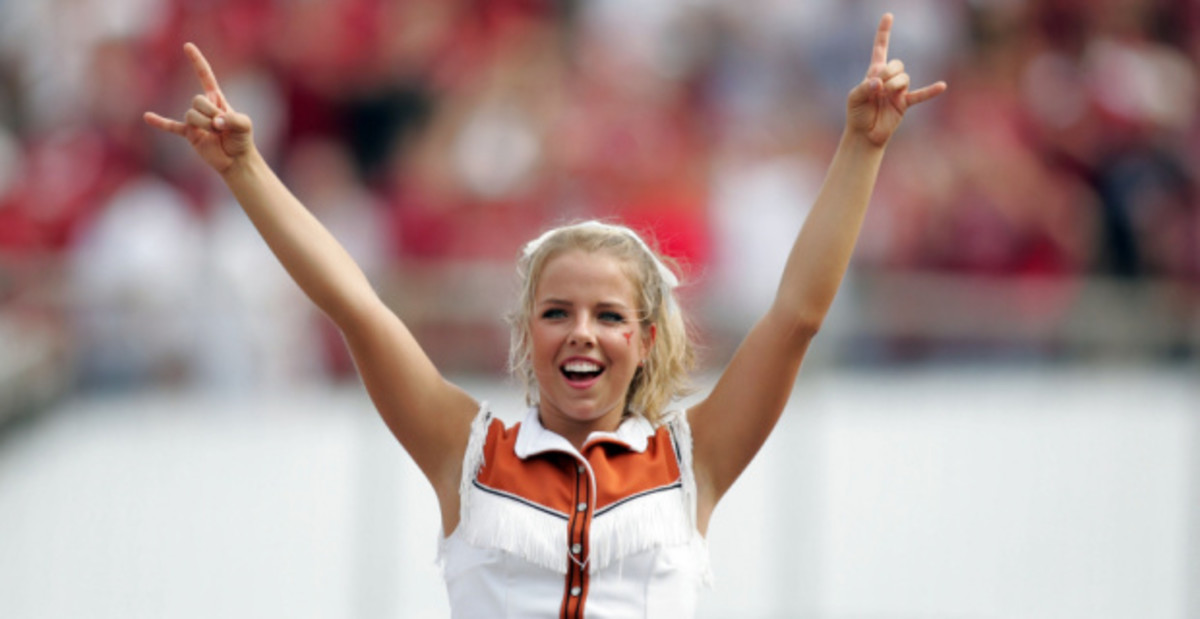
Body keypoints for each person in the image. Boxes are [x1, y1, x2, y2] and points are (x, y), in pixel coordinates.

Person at [145, 12, 945, 618]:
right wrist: (245, 168)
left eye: (608, 314)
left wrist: (862, 148)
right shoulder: (465, 450)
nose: (583, 331)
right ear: (529, 332)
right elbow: (356, 305)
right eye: (557, 310)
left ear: (646, 338)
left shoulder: (690, 458)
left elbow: (796, 316)